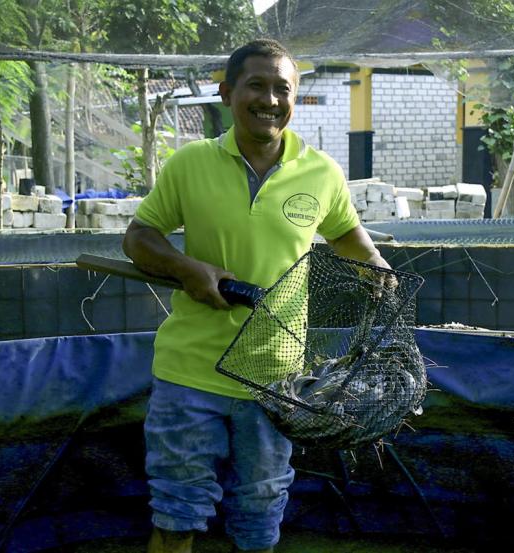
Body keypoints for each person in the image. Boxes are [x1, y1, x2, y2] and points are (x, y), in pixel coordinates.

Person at [123, 38, 391, 553]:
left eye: (282, 89)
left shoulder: (323, 173)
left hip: (274, 380)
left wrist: (377, 269)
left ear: (294, 98)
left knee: (259, 517)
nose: (270, 100)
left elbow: (348, 238)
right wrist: (186, 268)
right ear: (226, 92)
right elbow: (139, 237)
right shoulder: (190, 163)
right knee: (177, 512)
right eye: (256, 86)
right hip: (188, 373)